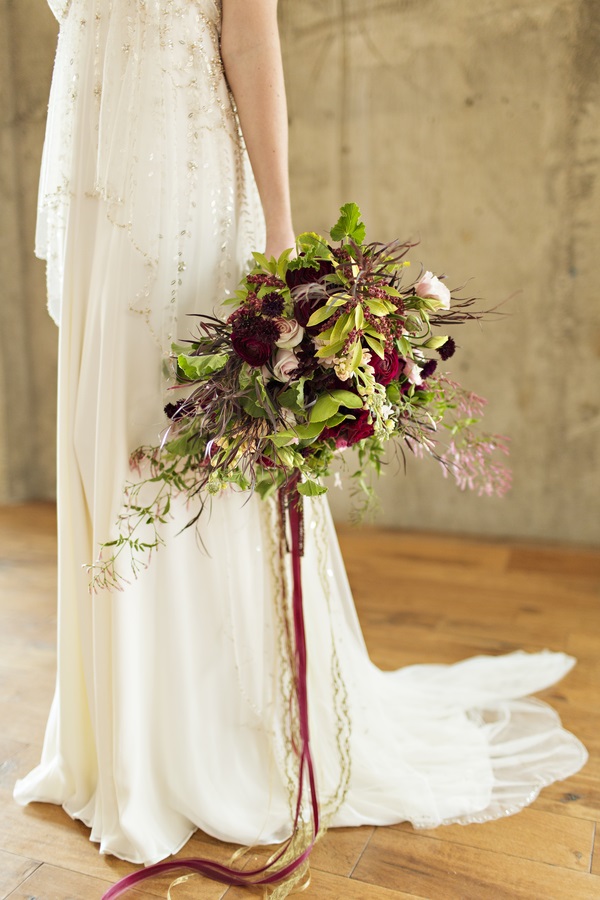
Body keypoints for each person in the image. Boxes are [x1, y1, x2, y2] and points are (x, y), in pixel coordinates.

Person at [15, 0, 587, 873]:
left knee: (196, 447)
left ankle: (219, 734)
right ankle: (119, 742)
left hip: (189, 187)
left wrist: (280, 228)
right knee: (121, 447)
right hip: (108, 196)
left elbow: (249, 30)